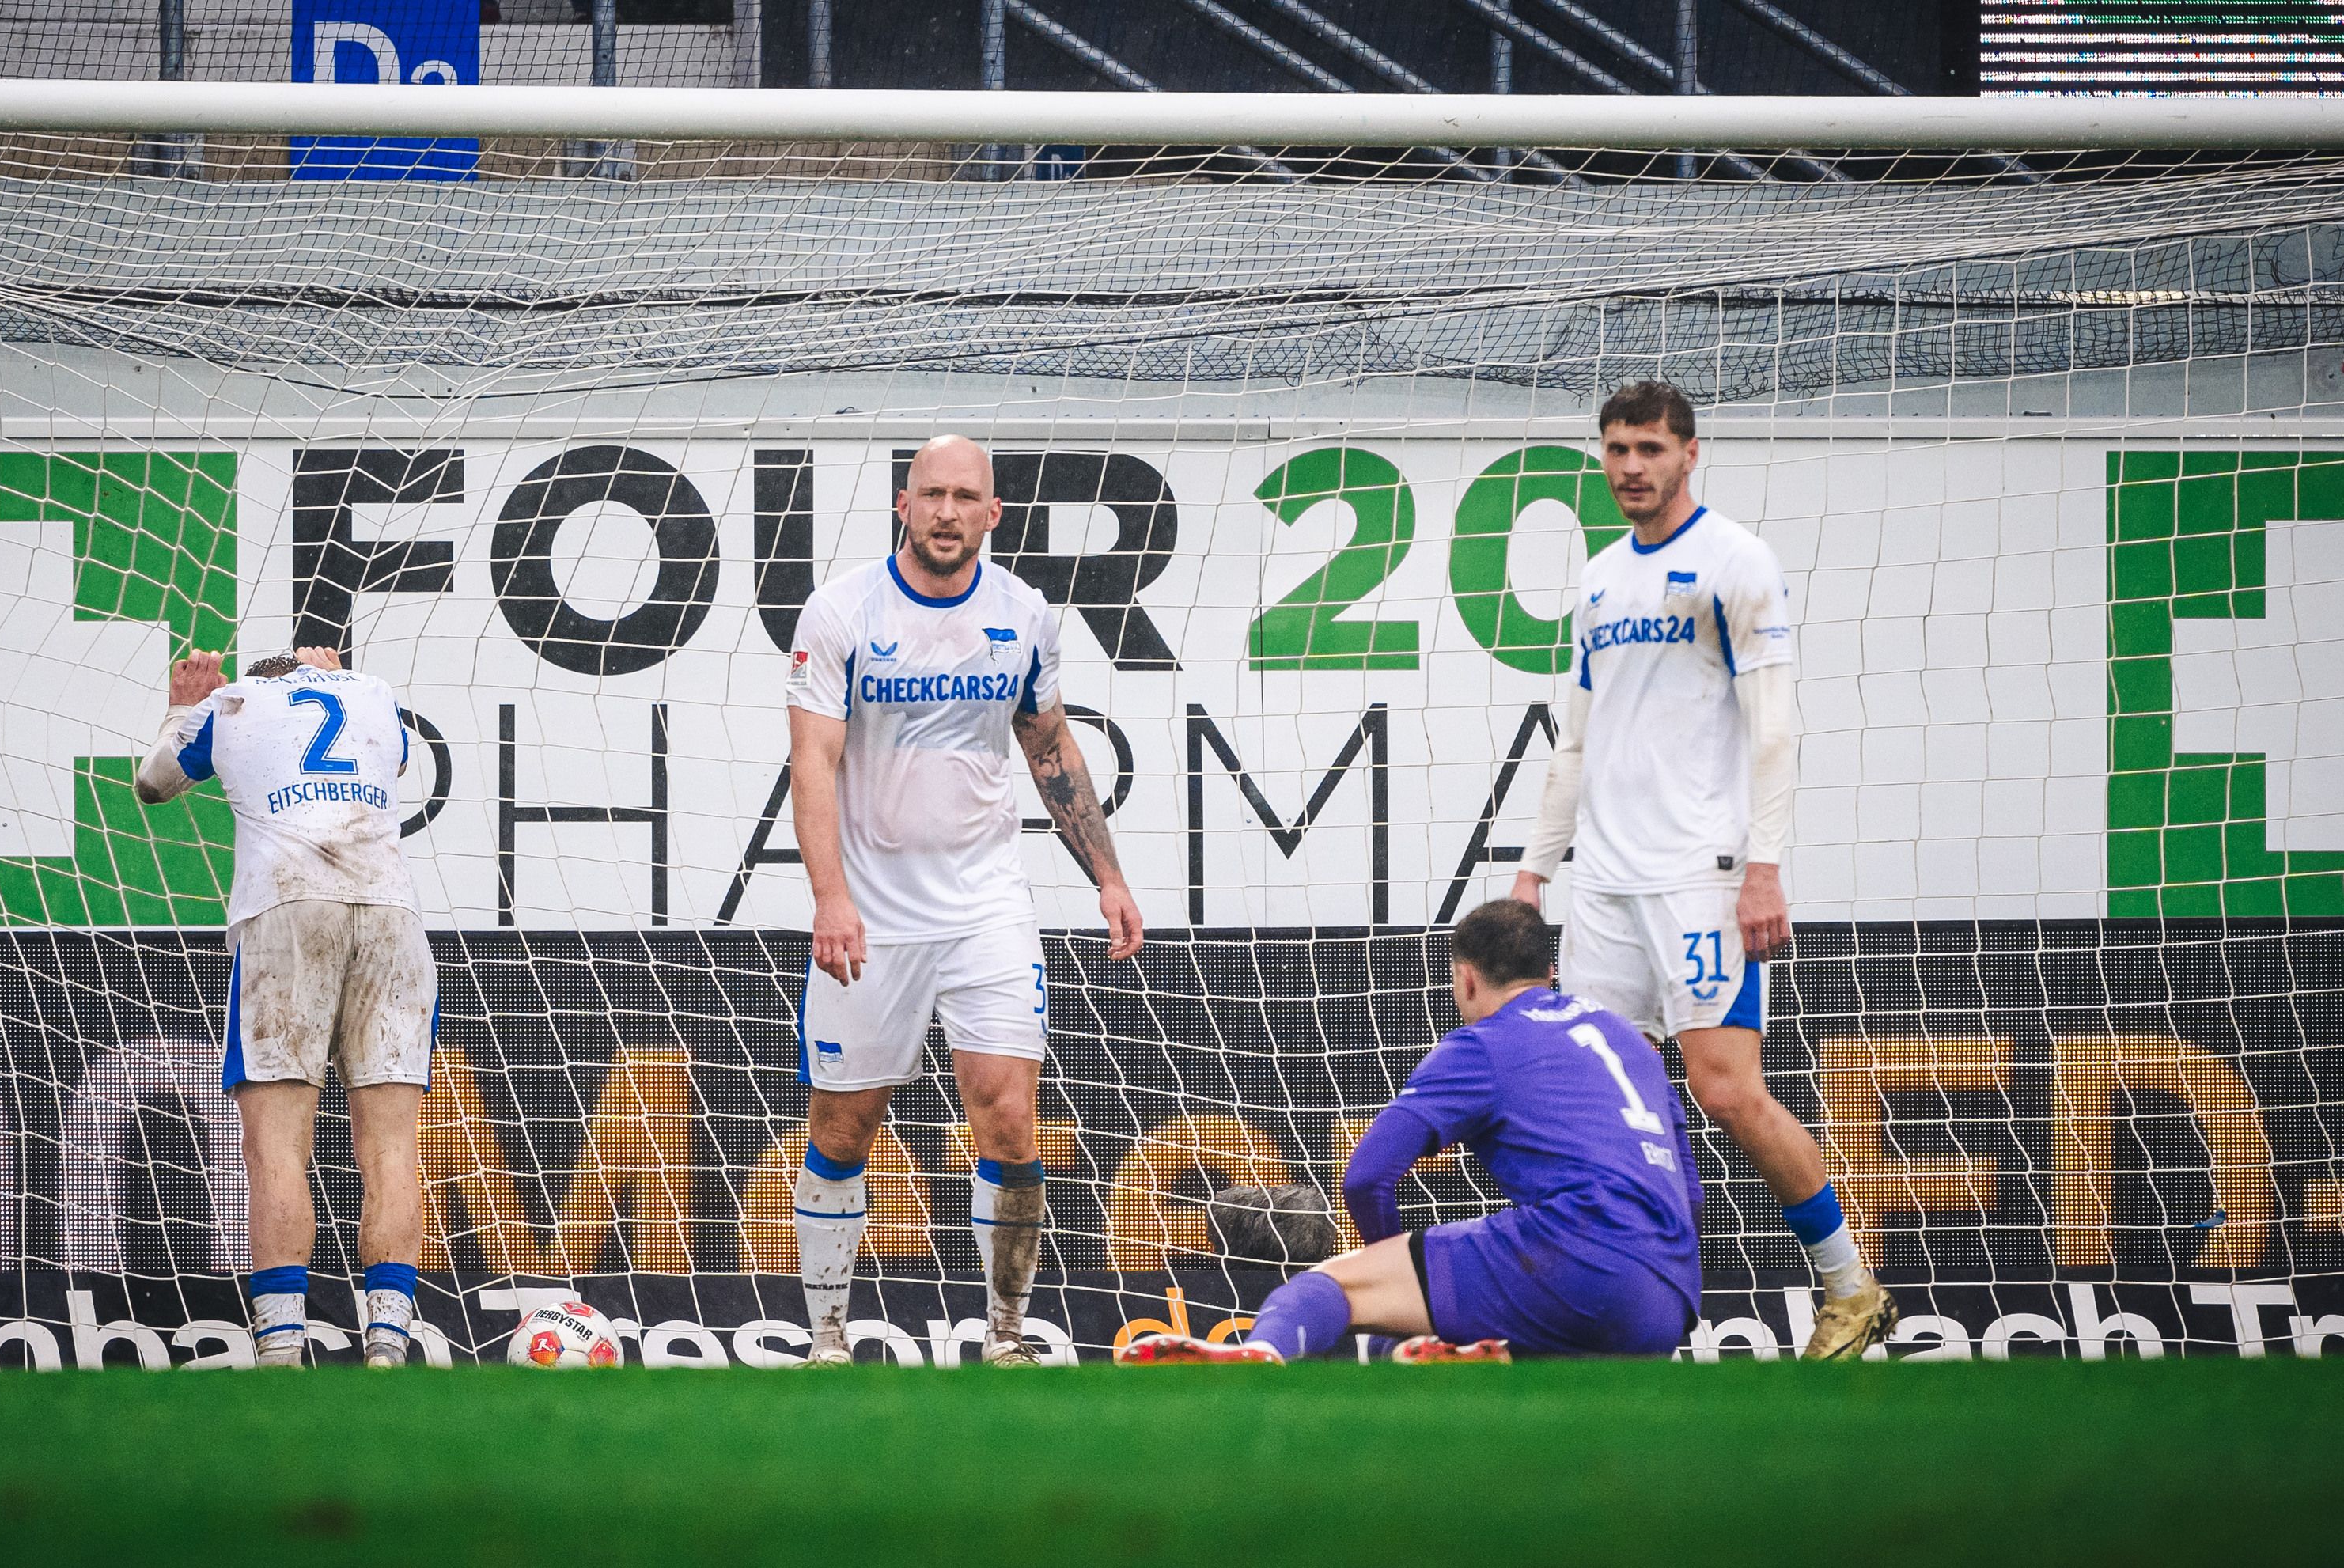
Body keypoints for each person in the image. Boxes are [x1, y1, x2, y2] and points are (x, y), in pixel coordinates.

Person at [1513, 380, 1895, 1360]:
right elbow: (1574, 743)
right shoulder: (1599, 578)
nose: (1629, 466)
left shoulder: (1735, 561)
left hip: (1700, 874)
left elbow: (1774, 728)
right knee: (1610, 1102)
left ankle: (1850, 1287)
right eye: (1614, 449)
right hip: (1600, 880)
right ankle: (1640, 1311)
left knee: (1724, 1091)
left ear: (1690, 453)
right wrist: (1531, 874)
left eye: (1647, 448)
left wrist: (1760, 867)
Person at [784, 434, 1146, 1366]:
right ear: (902, 506)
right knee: (842, 1124)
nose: (947, 512)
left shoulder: (1022, 612)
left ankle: (1006, 1335)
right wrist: (830, 895)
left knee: (1009, 1117)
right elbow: (812, 762)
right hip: (871, 912)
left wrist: (1106, 875)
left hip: (986, 907)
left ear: (993, 513)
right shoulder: (840, 612)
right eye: (930, 494)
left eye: (965, 497)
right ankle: (826, 1337)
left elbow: (1050, 746)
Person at [1119, 899, 1698, 1363]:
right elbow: (1691, 1192)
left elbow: (1367, 1176)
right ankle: (1475, 1355)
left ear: (1466, 979)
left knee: (1327, 1291)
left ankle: (1262, 1354)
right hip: (1665, 1303)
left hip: (1574, 1258)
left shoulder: (1483, 1044)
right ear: (1550, 974)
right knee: (1421, 1349)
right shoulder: (1629, 1039)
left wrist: (1387, 1262)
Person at [135, 646, 435, 1369]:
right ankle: (389, 1344)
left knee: (276, 1147)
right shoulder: (373, 691)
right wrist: (328, 676)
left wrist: (184, 704)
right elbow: (390, 762)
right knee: (392, 1148)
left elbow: (152, 784)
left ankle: (280, 1347)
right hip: (390, 914)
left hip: (286, 912)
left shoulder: (231, 703)